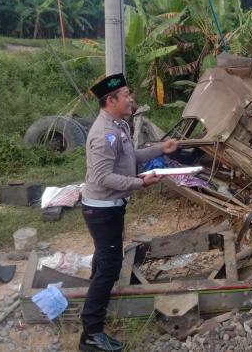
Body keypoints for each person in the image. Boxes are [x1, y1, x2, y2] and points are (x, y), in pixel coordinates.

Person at [79, 73, 177, 352]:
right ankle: (91, 334)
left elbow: (130, 156)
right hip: (102, 211)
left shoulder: (117, 125)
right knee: (109, 268)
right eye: (126, 95)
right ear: (111, 100)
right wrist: (140, 183)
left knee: (103, 261)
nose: (131, 98)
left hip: (109, 208)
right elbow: (103, 178)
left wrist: (161, 148)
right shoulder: (103, 134)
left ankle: (93, 307)